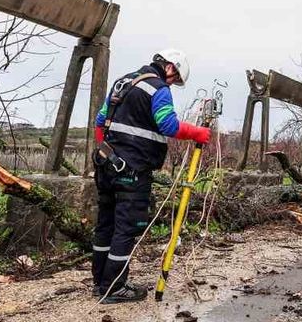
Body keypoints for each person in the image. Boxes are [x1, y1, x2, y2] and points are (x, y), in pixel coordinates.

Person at [91, 49, 212, 303]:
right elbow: (168, 124)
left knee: (105, 226)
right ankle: (113, 288)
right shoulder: (159, 89)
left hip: (106, 166)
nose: (172, 83)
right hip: (132, 171)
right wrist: (197, 133)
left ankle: (100, 283)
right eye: (174, 78)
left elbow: (100, 121)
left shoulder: (122, 82)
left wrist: (104, 151)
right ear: (169, 67)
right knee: (125, 229)